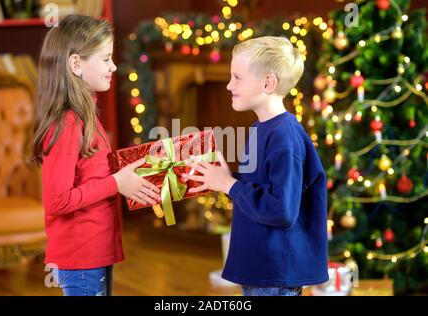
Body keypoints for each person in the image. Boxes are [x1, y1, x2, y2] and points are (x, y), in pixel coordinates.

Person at [183, 36, 328, 296]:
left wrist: (229, 184)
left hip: (274, 274)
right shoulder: (260, 128)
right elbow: (261, 185)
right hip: (259, 268)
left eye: (237, 77)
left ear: (268, 83)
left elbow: (282, 210)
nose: (229, 85)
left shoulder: (285, 136)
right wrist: (226, 177)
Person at [30, 15, 161, 296]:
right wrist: (116, 183)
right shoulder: (67, 123)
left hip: (95, 253)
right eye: (105, 59)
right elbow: (57, 200)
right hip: (82, 258)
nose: (114, 66)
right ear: (76, 64)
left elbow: (94, 173)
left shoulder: (86, 113)